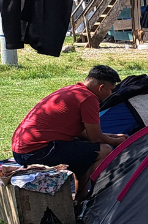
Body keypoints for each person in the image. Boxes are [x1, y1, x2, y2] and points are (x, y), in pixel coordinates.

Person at [11, 65, 127, 198]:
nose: (111, 94)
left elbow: (82, 134)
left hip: (21, 150)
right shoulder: (89, 99)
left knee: (85, 150)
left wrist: (111, 136)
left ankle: (81, 197)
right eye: (111, 90)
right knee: (104, 150)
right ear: (101, 88)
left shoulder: (73, 90)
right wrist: (117, 141)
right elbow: (95, 138)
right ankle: (95, 195)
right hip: (36, 151)